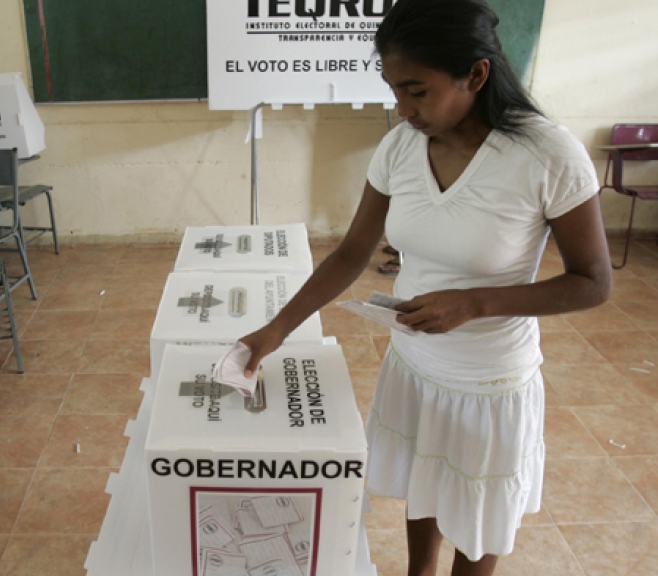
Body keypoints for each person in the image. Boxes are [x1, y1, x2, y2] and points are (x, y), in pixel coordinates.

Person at [238, 0, 613, 574]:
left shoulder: (546, 154)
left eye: (417, 90)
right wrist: (275, 330)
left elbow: (593, 283)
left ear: (476, 75)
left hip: (488, 380)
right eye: (393, 89)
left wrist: (477, 302)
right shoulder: (401, 148)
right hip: (414, 364)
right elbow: (350, 254)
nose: (402, 108)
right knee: (426, 483)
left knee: (477, 513)